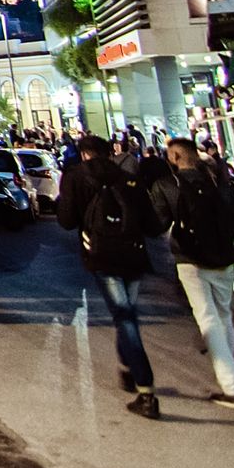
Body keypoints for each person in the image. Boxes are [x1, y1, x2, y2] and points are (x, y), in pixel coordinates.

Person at [59, 133, 167, 419]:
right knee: (127, 313)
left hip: (101, 255)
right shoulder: (128, 178)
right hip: (133, 255)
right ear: (110, 153)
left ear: (84, 154)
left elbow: (66, 220)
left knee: (125, 317)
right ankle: (128, 368)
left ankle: (146, 390)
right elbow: (153, 225)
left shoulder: (75, 177)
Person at [150, 136, 234, 409]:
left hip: (190, 259)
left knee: (207, 319)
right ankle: (228, 373)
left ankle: (232, 388)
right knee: (224, 315)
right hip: (224, 256)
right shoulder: (217, 180)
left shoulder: (167, 185)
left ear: (175, 157)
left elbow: (158, 224)